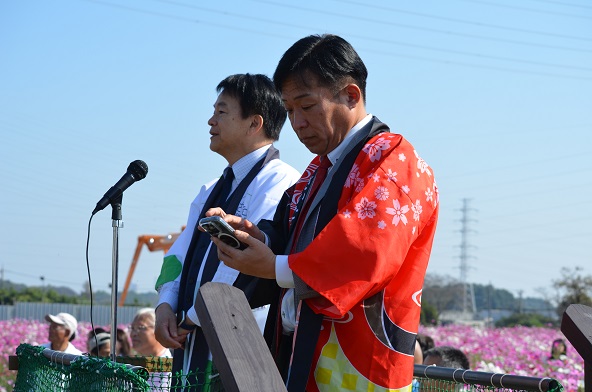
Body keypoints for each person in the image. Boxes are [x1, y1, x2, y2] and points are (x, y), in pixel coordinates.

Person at [208, 34, 440, 391]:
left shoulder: (395, 161)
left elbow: (365, 252)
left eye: (307, 105)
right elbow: (287, 233)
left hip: (361, 364)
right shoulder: (318, 170)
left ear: (351, 95)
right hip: (305, 349)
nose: (297, 123)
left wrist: (272, 266)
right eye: (288, 110)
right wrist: (257, 237)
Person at [153, 73, 301, 390]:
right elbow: (175, 255)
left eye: (221, 111)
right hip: (192, 332)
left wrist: (190, 317)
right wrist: (165, 304)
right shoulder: (210, 189)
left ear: (254, 123)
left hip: (241, 345)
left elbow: (243, 262)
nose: (211, 121)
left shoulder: (283, 182)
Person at [131, 308, 173, 391]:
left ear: (159, 330)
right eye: (132, 328)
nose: (134, 334)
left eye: (141, 327)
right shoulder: (134, 364)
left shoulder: (170, 367)